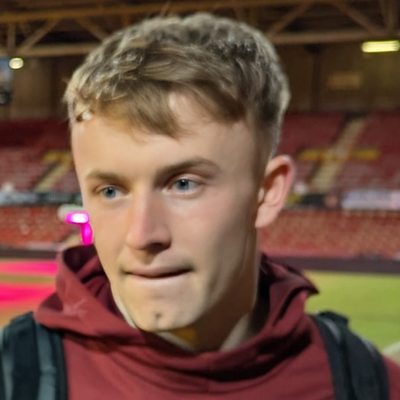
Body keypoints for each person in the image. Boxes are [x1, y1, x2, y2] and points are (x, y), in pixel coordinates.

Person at [2, 12, 400, 399]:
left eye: (184, 184)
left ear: (267, 192)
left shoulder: (367, 383)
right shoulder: (16, 376)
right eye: (110, 191)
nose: (142, 235)